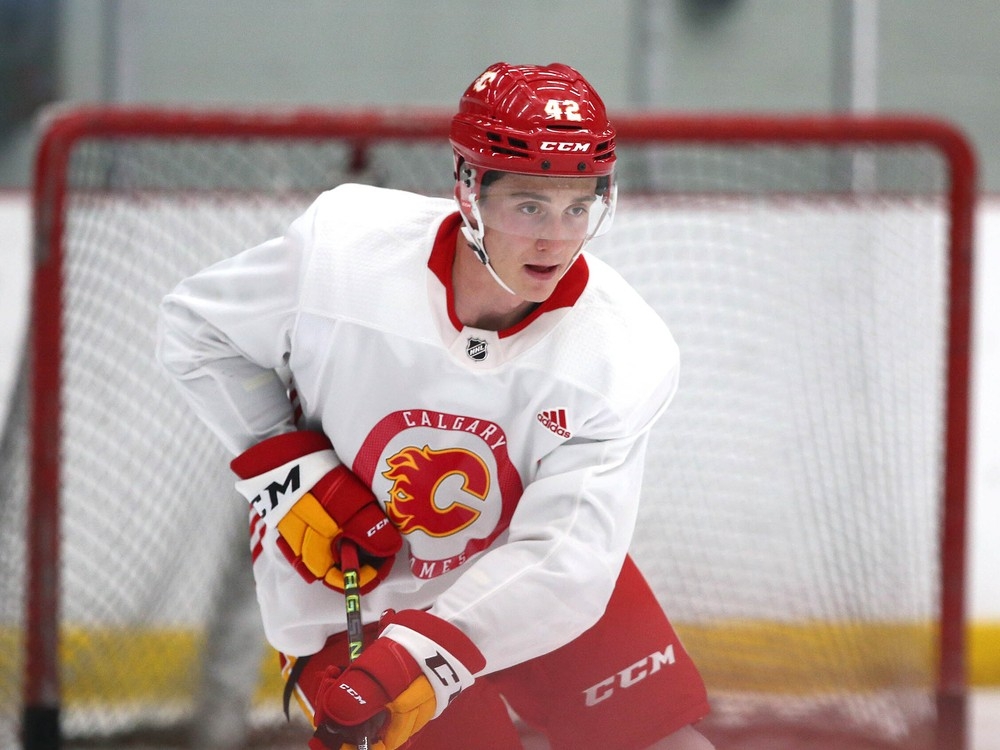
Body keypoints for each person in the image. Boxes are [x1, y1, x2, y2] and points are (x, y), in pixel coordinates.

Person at [157, 61, 713, 750]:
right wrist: (288, 469)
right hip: (348, 594)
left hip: (521, 573)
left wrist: (424, 651)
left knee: (667, 743)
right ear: (469, 191)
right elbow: (199, 330)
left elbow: (568, 559)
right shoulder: (343, 253)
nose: (557, 239)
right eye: (529, 206)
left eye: (580, 207)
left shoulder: (622, 348)